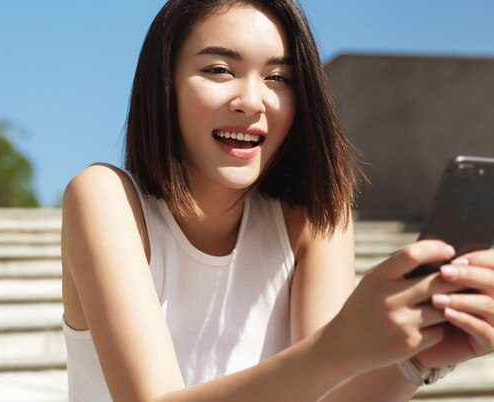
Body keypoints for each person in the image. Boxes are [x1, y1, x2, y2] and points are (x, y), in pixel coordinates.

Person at [61, 1, 494, 401]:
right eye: (218, 70)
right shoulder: (105, 197)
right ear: (164, 85)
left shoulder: (312, 216)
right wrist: (339, 346)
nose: (252, 101)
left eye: (278, 78)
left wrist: (416, 360)